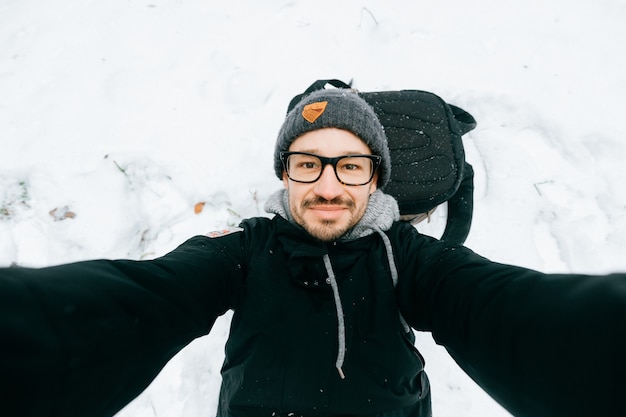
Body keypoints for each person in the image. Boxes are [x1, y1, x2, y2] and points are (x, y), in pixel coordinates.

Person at [1, 88, 625, 417]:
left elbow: (508, 311)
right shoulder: (243, 250)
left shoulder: (410, 258)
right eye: (309, 164)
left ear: (375, 179)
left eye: (349, 165)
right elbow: (145, 297)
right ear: (287, 175)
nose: (328, 184)